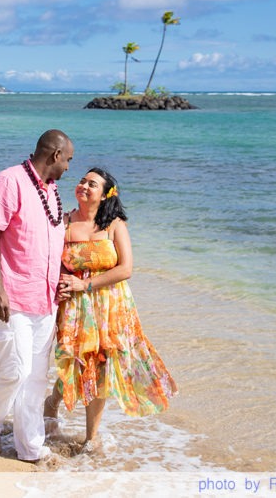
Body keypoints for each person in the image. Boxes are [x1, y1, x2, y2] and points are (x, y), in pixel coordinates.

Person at [44, 167, 177, 453]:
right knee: (78, 362)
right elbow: (51, 262)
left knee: (101, 368)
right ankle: (52, 402)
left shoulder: (115, 225)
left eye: (92, 184)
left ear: (105, 195)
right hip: (76, 306)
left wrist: (86, 284)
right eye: (82, 180)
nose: (83, 185)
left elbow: (125, 269)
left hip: (112, 305)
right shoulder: (64, 222)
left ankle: (90, 439)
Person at [0, 129, 74, 463]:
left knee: (35, 378)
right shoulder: (9, 181)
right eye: (68, 161)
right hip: (11, 294)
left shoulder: (52, 192)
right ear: (55, 155)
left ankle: (30, 448)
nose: (69, 169)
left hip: (44, 299)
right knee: (15, 370)